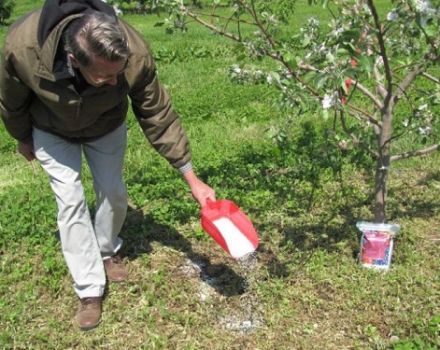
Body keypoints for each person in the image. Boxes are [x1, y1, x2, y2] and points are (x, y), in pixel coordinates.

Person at [0, 0, 216, 330]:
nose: (115, 82)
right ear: (73, 59)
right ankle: (89, 290)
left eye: (119, 73)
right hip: (51, 128)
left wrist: (191, 177)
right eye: (104, 75)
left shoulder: (133, 52)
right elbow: (11, 100)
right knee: (70, 202)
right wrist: (22, 137)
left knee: (113, 193)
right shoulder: (23, 47)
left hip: (106, 125)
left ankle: (106, 250)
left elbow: (157, 113)